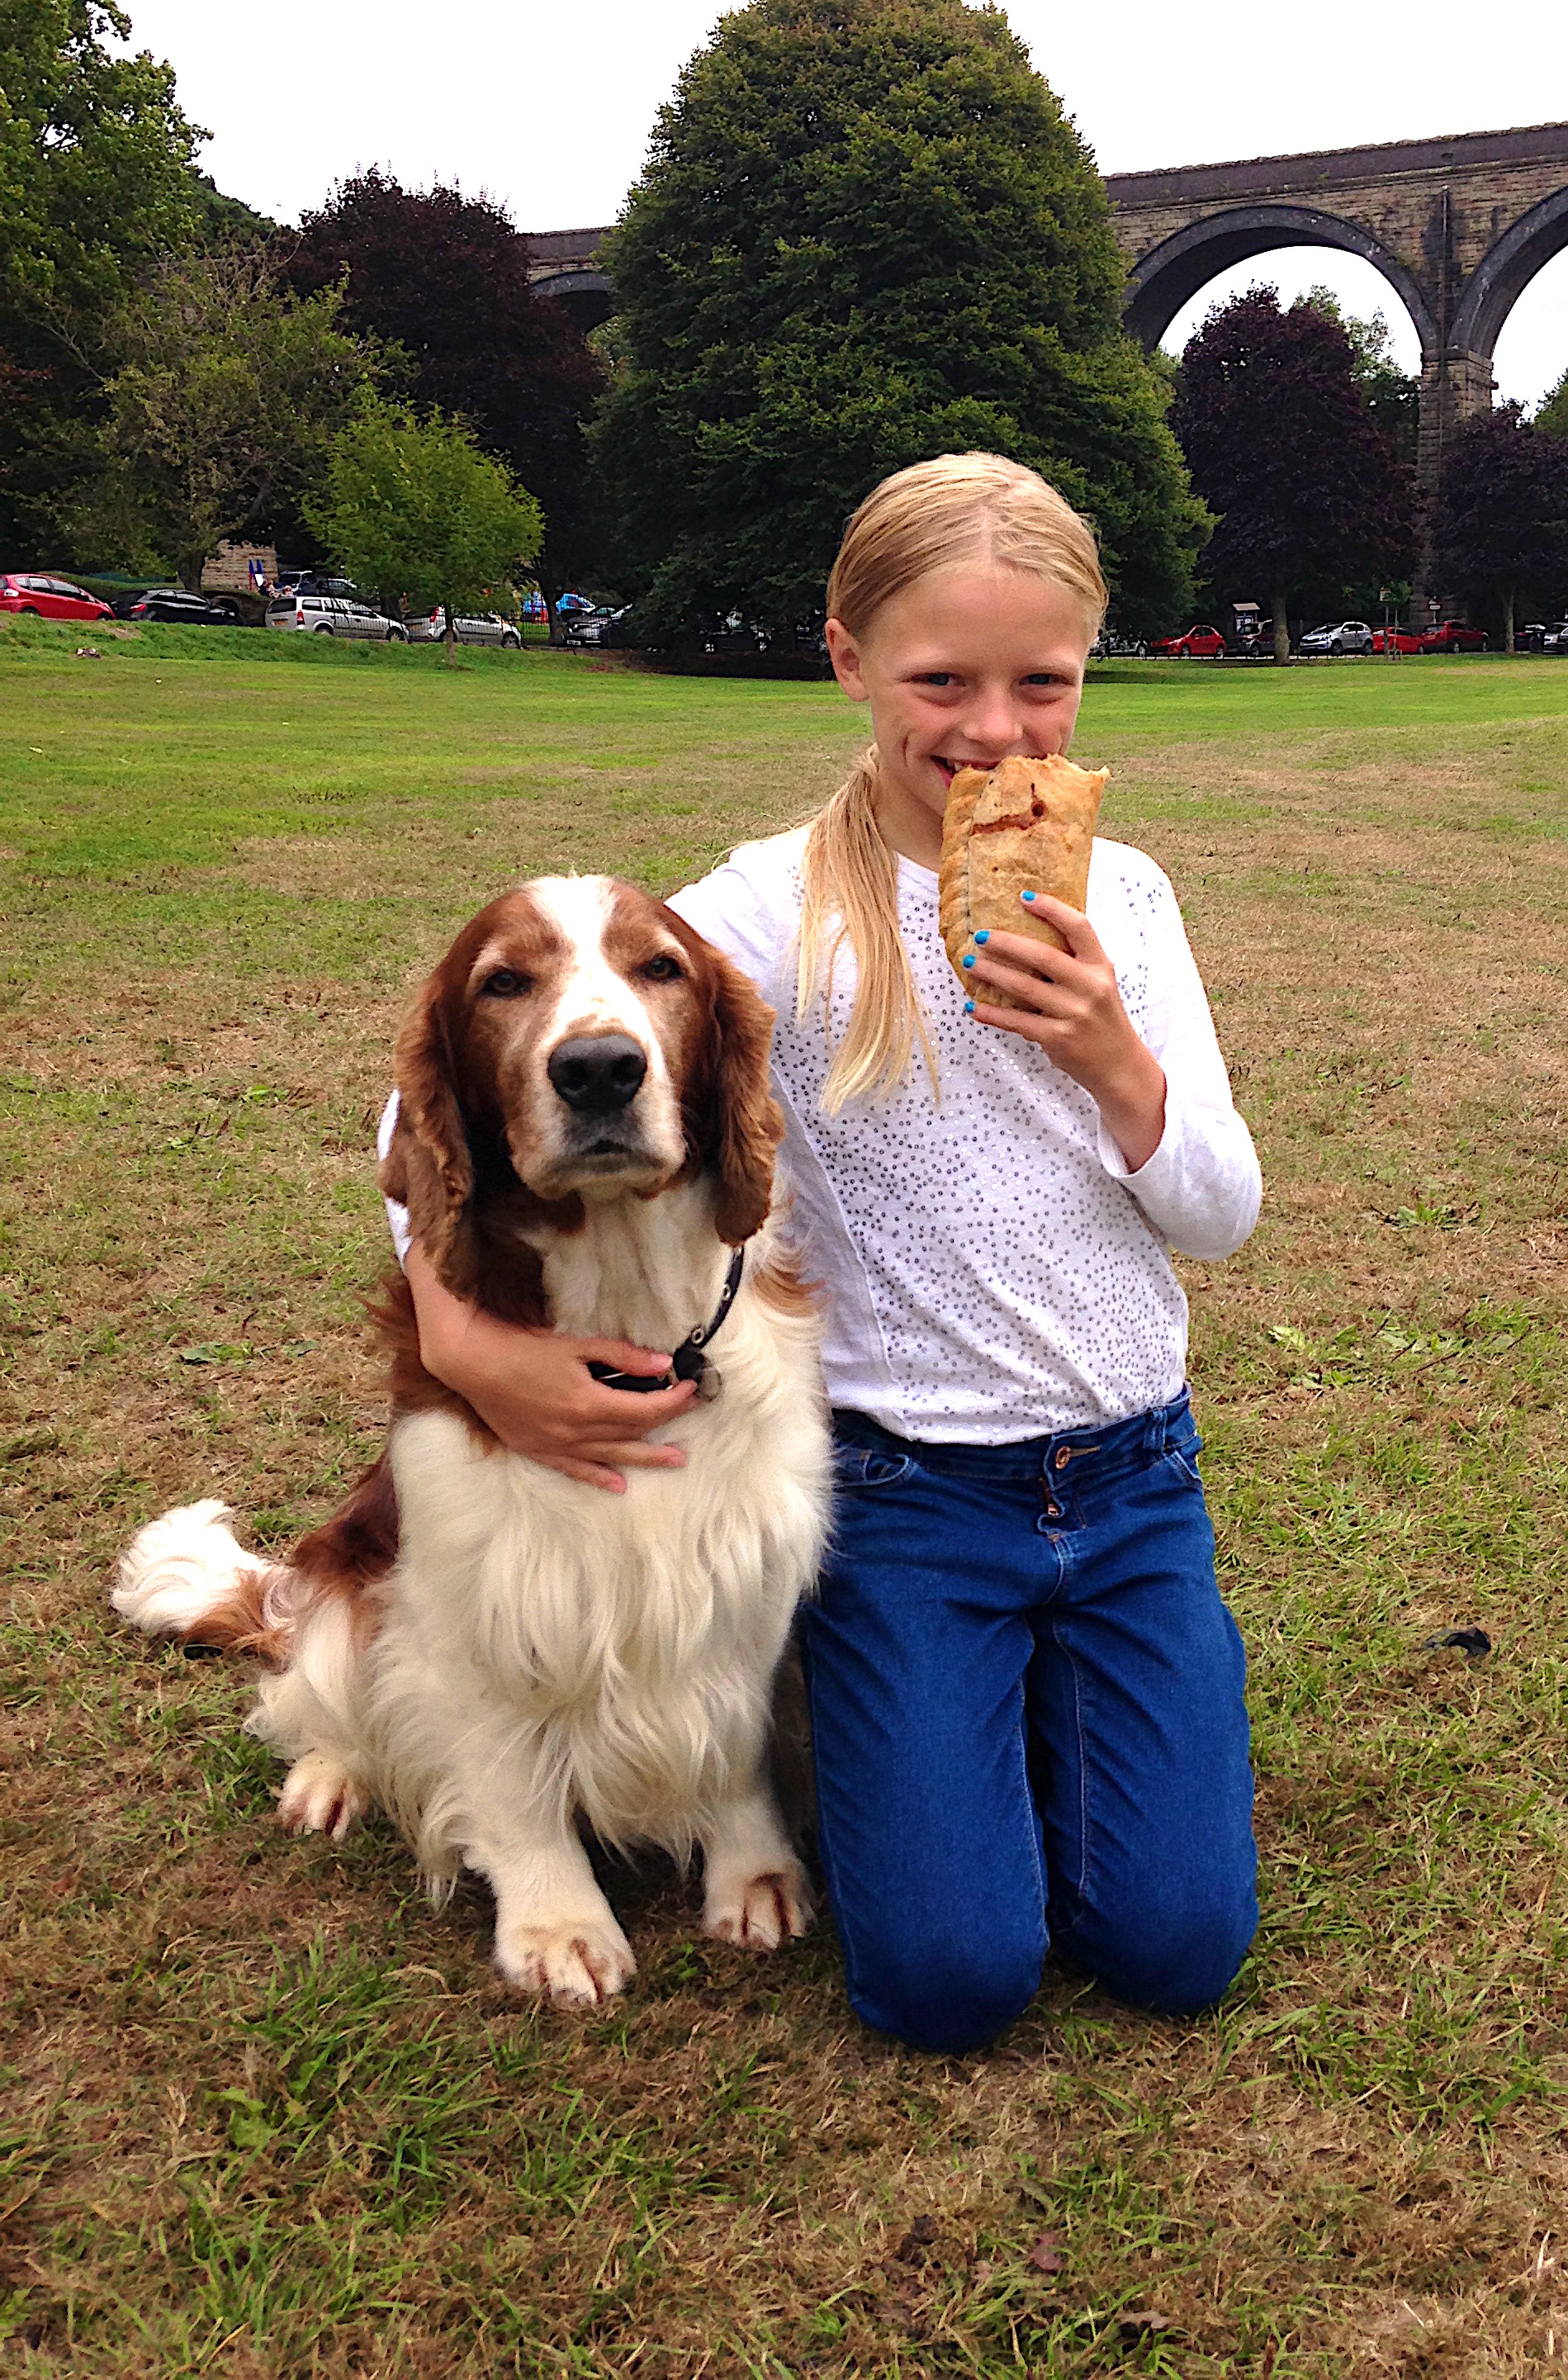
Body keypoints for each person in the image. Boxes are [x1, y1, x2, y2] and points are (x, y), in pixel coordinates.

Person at [392, 453, 1262, 2051]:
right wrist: (468, 1350)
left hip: (1133, 1483)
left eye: (1043, 685)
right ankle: (970, 1725)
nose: (994, 734)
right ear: (850, 660)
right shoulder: (764, 917)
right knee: (947, 1979)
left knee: (1180, 1944)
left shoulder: (1126, 902)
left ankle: (1088, 1713)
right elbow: (460, 1116)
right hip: (910, 1507)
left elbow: (1221, 1211)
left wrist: (1117, 1063)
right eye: (941, 681)